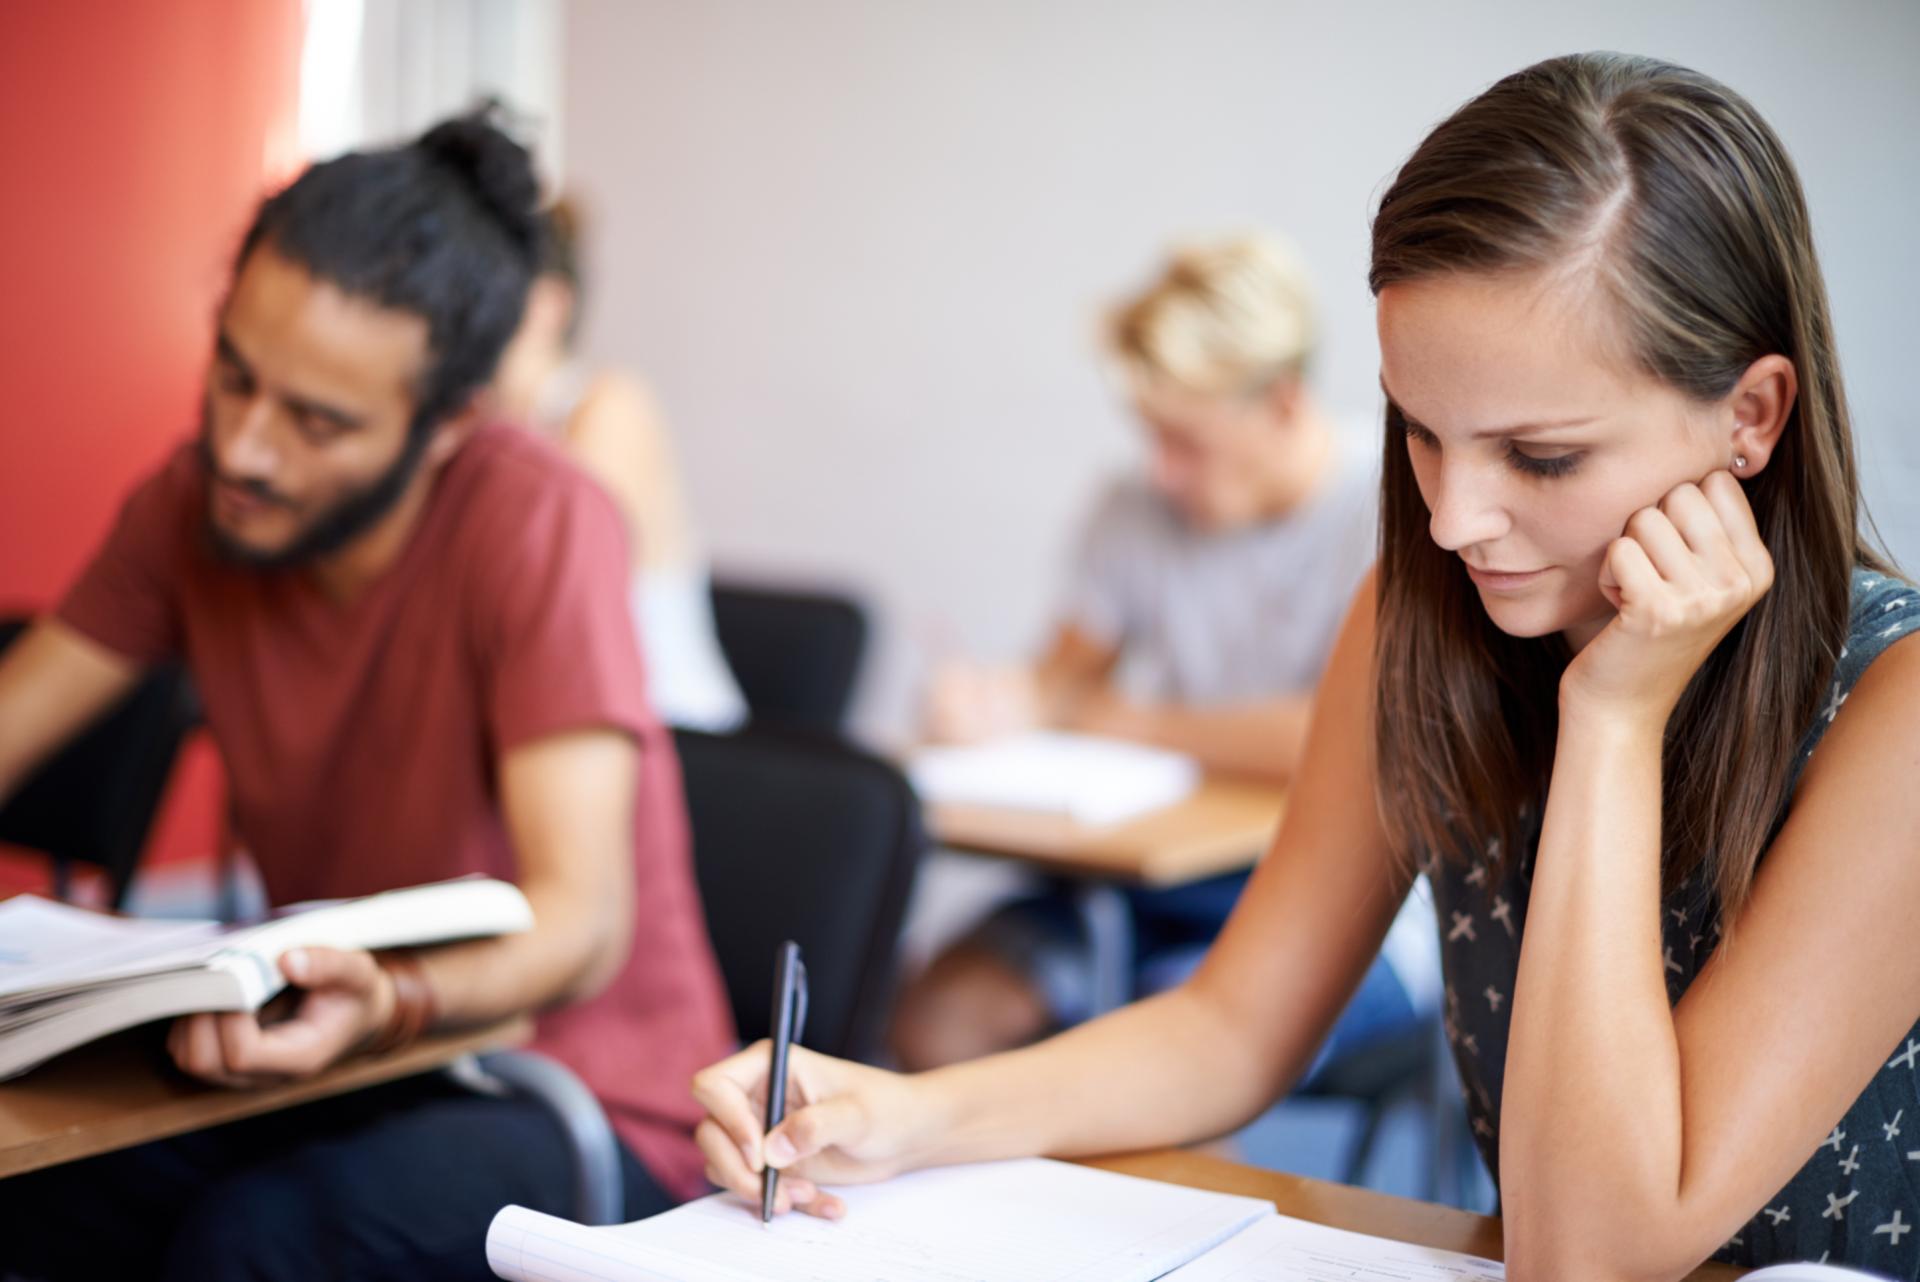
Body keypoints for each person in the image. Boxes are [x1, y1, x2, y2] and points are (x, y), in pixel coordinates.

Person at [691, 53, 1920, 1281]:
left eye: (1541, 458)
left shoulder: (1896, 706)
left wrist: (1609, 720)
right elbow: (1231, 1030)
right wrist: (900, 1115)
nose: (1451, 522)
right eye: (1421, 434)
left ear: (1753, 415)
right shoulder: (1418, 618)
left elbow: (1587, 1255)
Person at [0, 108, 734, 1280]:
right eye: (234, 376)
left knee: (256, 1247)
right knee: (34, 1198)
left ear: (447, 425)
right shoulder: (194, 507)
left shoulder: (537, 519)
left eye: (317, 422)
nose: (244, 449)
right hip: (349, 1061)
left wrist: (393, 996)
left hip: (580, 1097)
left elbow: (581, 925)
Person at [894, 233, 1434, 1076]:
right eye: (1150, 436)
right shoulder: (1135, 507)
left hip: (1360, 907)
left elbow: (1342, 747)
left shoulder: (1392, 506)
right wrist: (995, 704)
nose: (1162, 470)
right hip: (1144, 889)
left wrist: (1127, 724)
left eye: (1188, 442)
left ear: (1285, 404)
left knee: (1168, 1048)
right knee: (939, 1017)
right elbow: (1059, 682)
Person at [488, 198, 745, 731]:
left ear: (550, 304)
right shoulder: (481, 424)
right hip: (563, 719)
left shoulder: (611, 404)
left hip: (670, 727)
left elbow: (561, 576)